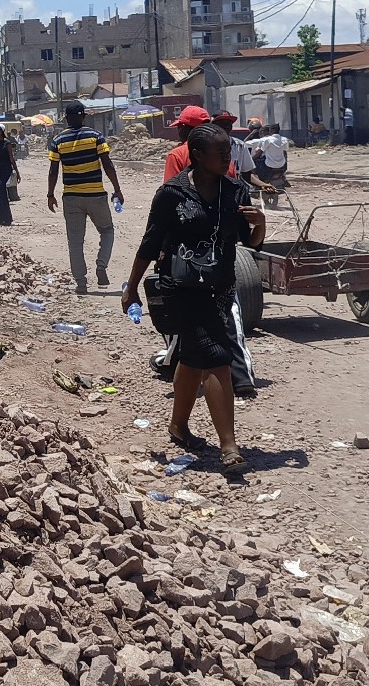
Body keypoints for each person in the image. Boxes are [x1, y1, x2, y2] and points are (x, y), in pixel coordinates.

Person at [123, 122, 262, 468]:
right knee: (216, 355)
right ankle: (229, 446)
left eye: (229, 153)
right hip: (180, 288)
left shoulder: (235, 191)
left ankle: (178, 427)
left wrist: (260, 223)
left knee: (192, 356)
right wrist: (131, 287)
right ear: (197, 155)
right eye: (220, 154)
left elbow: (250, 242)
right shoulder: (172, 193)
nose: (228, 159)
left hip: (219, 289)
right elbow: (150, 242)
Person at [46, 100, 126, 293]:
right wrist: (117, 189)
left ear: (66, 118)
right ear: (83, 117)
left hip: (71, 197)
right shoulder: (96, 136)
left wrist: (50, 194)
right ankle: (101, 265)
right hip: (95, 195)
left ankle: (81, 283)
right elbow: (107, 164)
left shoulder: (58, 140)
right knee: (107, 230)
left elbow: (53, 171)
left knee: (75, 241)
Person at [161, 104, 212, 182]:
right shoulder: (221, 150)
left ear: (183, 128)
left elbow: (170, 188)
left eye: (179, 127)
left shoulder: (177, 155)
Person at [0, 124, 15, 227]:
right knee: (0, 193)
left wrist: (17, 172)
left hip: (6, 169)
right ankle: (3, 219)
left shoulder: (7, 143)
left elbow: (11, 158)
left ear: (1, 132)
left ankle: (4, 218)